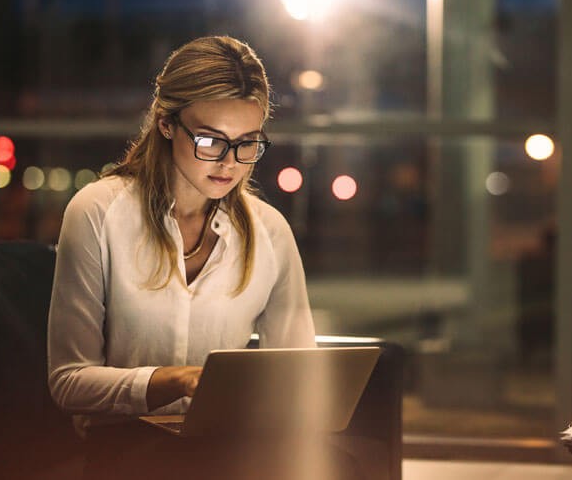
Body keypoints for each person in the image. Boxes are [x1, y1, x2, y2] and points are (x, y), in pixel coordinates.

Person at [47, 36, 352, 479]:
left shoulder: (269, 232)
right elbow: (69, 381)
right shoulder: (97, 212)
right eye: (210, 140)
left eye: (247, 143)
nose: (229, 163)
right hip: (125, 449)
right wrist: (177, 379)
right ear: (166, 124)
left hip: (233, 450)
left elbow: (296, 375)